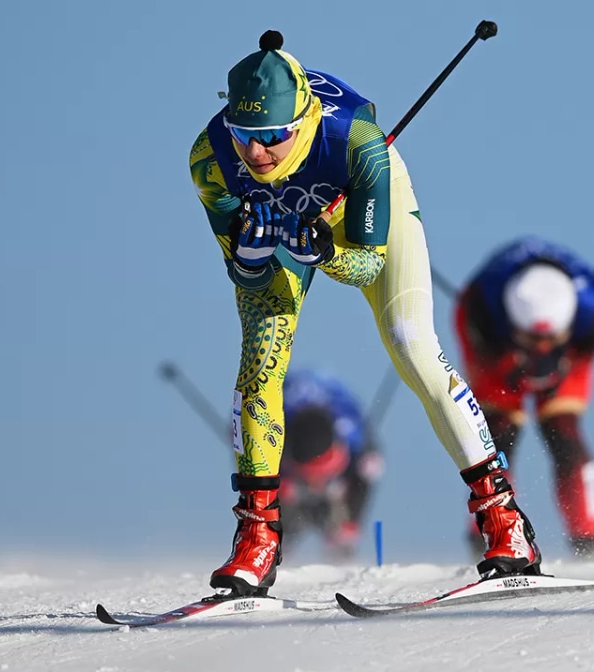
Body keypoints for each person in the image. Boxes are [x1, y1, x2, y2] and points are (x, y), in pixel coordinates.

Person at [189, 29, 542, 598]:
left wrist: (321, 250)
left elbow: (367, 266)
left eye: (273, 138)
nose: (257, 154)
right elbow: (243, 273)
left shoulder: (357, 139)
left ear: (300, 120)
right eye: (245, 135)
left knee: (410, 341)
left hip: (354, 209)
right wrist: (252, 251)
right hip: (289, 231)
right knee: (259, 367)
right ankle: (256, 538)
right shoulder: (210, 159)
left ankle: (503, 520)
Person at [452, 236, 594, 558]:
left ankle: (590, 542)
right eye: (531, 340)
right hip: (496, 347)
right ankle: (489, 535)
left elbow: (586, 352)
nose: (540, 348)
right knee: (497, 436)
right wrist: (508, 365)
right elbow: (481, 349)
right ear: (515, 329)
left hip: (563, 349)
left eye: (549, 340)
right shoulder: (482, 308)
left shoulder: (593, 311)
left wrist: (559, 369)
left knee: (563, 432)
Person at [278, 368, 383, 561]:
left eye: (323, 474)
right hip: (285, 432)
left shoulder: (350, 429)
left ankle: (343, 529)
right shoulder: (270, 430)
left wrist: (352, 521)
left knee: (368, 468)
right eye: (308, 476)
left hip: (328, 412)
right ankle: (278, 533)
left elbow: (369, 465)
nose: (316, 483)